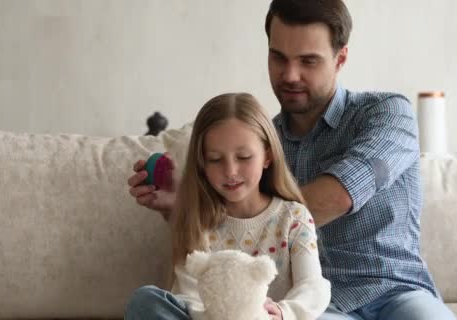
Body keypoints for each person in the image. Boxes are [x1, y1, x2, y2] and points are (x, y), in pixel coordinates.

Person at [128, 0, 457, 319]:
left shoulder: (386, 113)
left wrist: (208, 204)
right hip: (318, 307)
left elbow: (339, 196)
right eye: (279, 58)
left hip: (399, 291)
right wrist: (183, 207)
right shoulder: (258, 145)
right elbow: (229, 243)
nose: (290, 74)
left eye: (308, 61)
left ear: (340, 58)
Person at [125, 92, 331, 320]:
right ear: (202, 163)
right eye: (215, 159)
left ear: (267, 156)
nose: (230, 171)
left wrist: (284, 313)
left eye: (243, 157)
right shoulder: (197, 218)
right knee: (145, 300)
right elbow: (189, 297)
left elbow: (312, 286)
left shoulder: (293, 217)